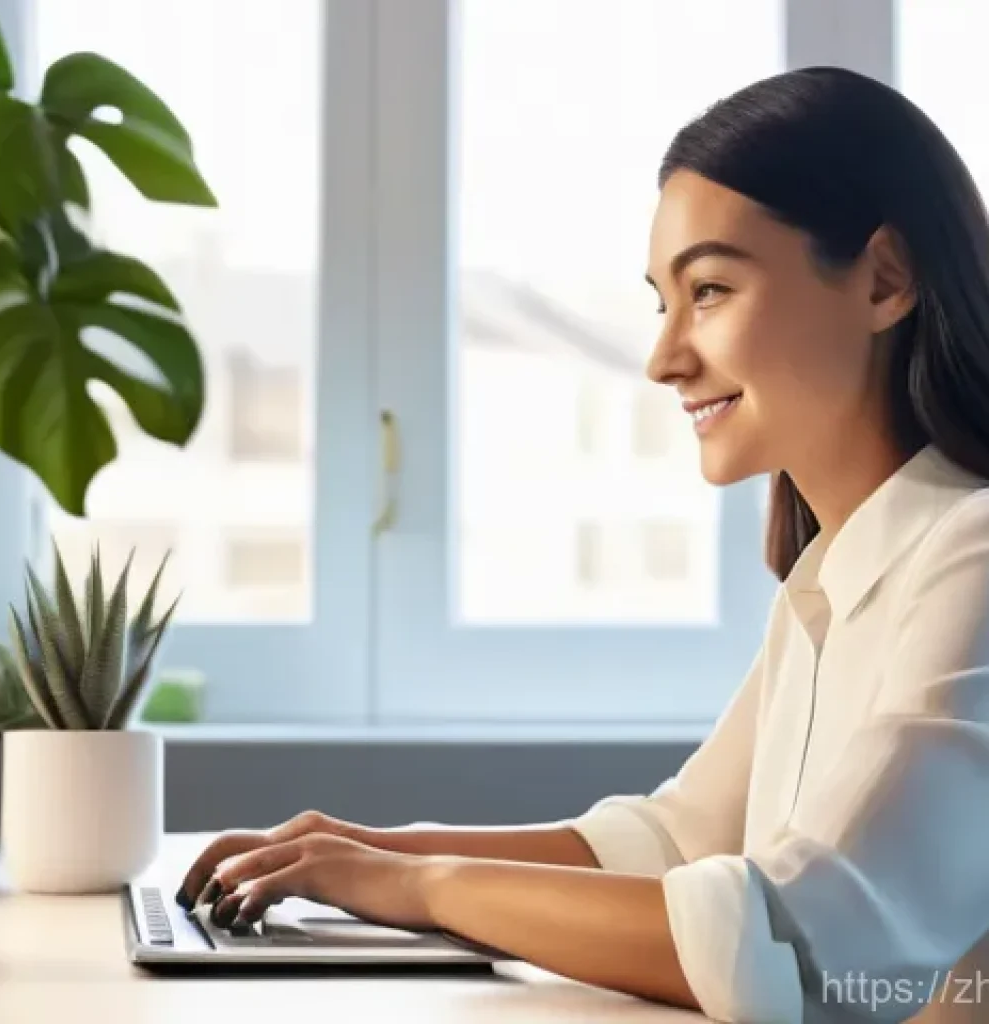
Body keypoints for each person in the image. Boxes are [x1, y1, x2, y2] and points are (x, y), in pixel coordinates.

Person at [175, 66, 989, 1022]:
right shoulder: (829, 583)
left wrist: (423, 886)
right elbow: (676, 844)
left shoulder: (970, 559)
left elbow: (791, 948)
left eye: (712, 290)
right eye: (663, 303)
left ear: (885, 280)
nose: (664, 356)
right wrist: (365, 851)